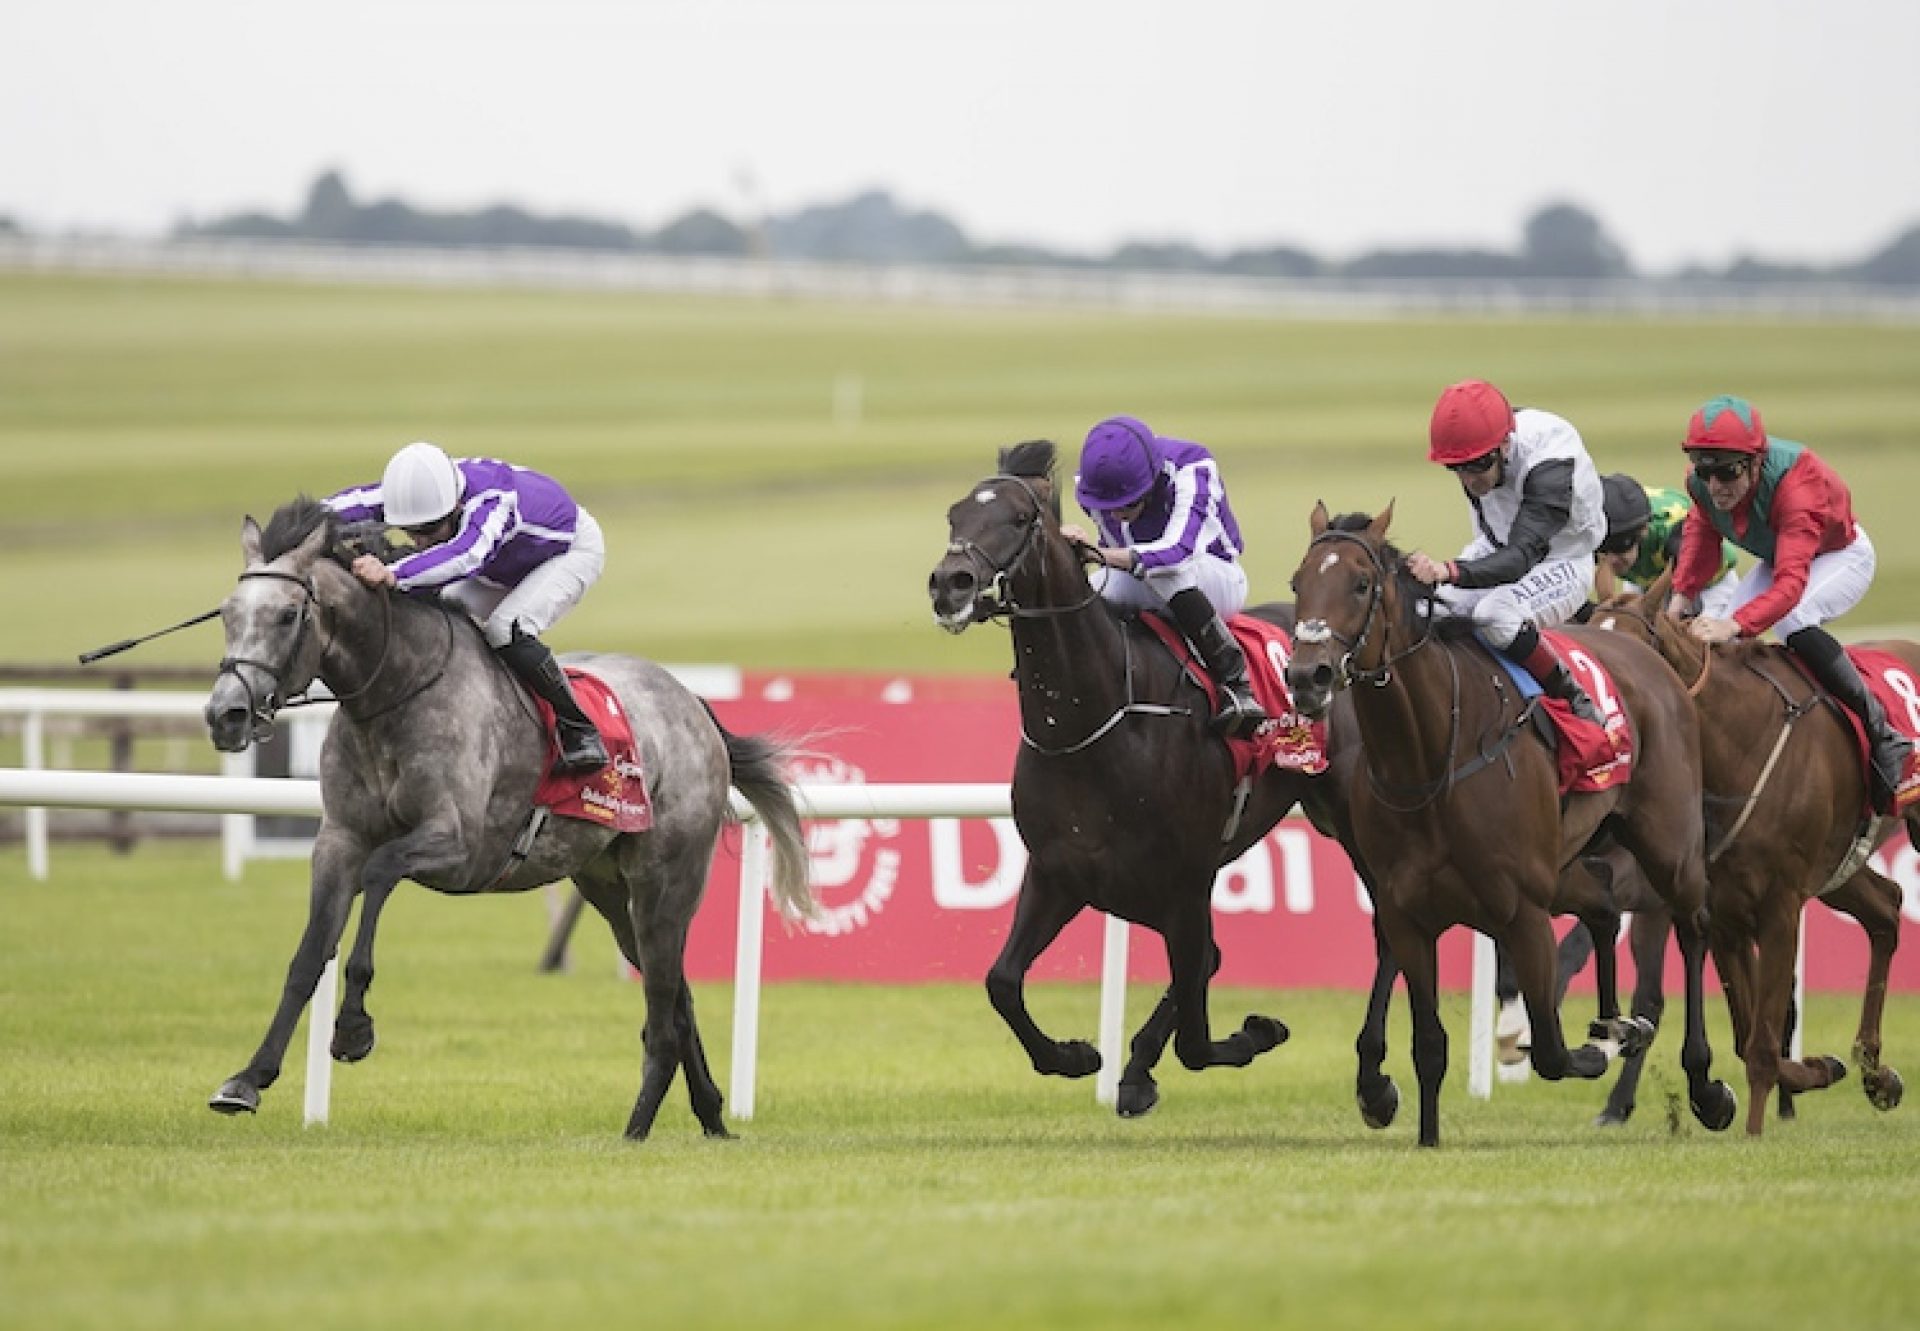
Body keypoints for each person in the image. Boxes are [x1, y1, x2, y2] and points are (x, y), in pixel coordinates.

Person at [1665, 395, 1911, 809]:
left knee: (1793, 619)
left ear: (1756, 462)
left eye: (1726, 473)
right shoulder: (1704, 486)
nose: (1715, 486)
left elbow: (1791, 585)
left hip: (1839, 556)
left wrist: (1736, 625)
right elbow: (1701, 537)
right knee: (1715, 636)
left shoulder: (1800, 486)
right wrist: (1680, 596)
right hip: (1780, 555)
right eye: (1705, 471)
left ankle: (1883, 732)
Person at [327, 441, 609, 775]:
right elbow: (352, 504)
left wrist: (393, 573)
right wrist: (295, 528)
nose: (420, 540)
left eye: (430, 530)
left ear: (457, 505)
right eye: (410, 531)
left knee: (506, 629)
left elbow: (467, 555)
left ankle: (579, 728)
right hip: (501, 563)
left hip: (566, 553)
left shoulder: (493, 501)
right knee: (439, 613)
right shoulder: (421, 493)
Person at [1407, 379, 1607, 723]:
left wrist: (1447, 571)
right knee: (1423, 610)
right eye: (1456, 468)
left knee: (1495, 615)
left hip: (1562, 559)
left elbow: (1520, 558)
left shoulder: (1551, 456)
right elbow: (1499, 547)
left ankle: (1573, 696)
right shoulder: (1485, 445)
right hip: (1498, 546)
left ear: (1504, 445)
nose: (1469, 480)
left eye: (1477, 465)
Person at [1060, 414, 1267, 738]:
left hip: (1214, 577)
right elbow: (1115, 556)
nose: (1115, 513)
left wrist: (1099, 555)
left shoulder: (1193, 467)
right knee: (1080, 589)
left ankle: (1235, 682)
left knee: (1166, 573)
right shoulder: (1091, 488)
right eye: (1108, 505)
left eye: (1126, 503)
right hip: (1144, 574)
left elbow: (1177, 552)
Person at [1593, 473, 1740, 617]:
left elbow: (1685, 587)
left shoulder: (1673, 532)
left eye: (1619, 545)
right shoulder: (1587, 526)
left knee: (1701, 637)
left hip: (1707, 579)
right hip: (1648, 575)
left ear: (1643, 531)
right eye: (1601, 547)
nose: (1610, 560)